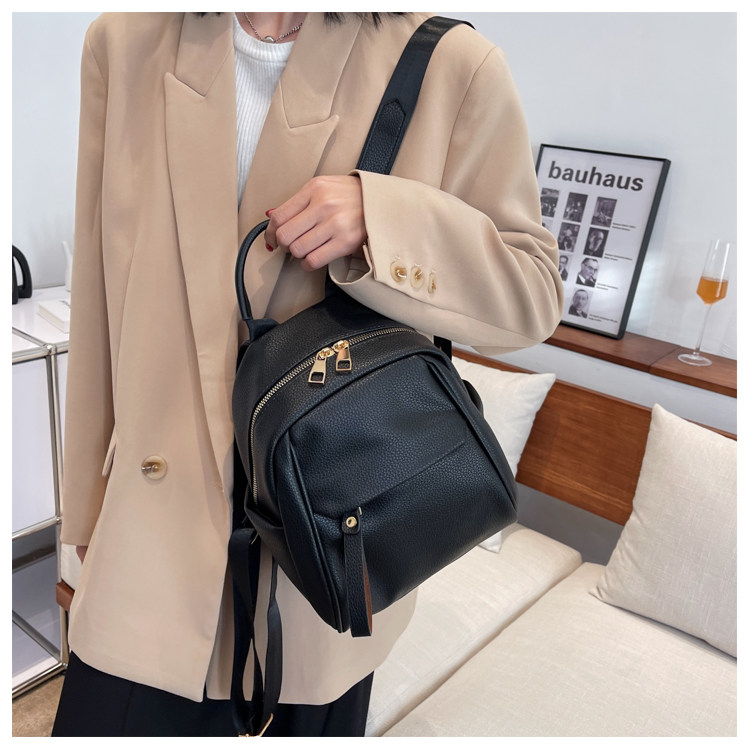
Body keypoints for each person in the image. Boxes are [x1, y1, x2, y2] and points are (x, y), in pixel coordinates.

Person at [52, 12, 562, 737]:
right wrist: (87, 506)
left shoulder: (453, 63)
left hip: (321, 562)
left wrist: (383, 221)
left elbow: (533, 293)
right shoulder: (126, 43)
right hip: (148, 547)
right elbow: (99, 293)